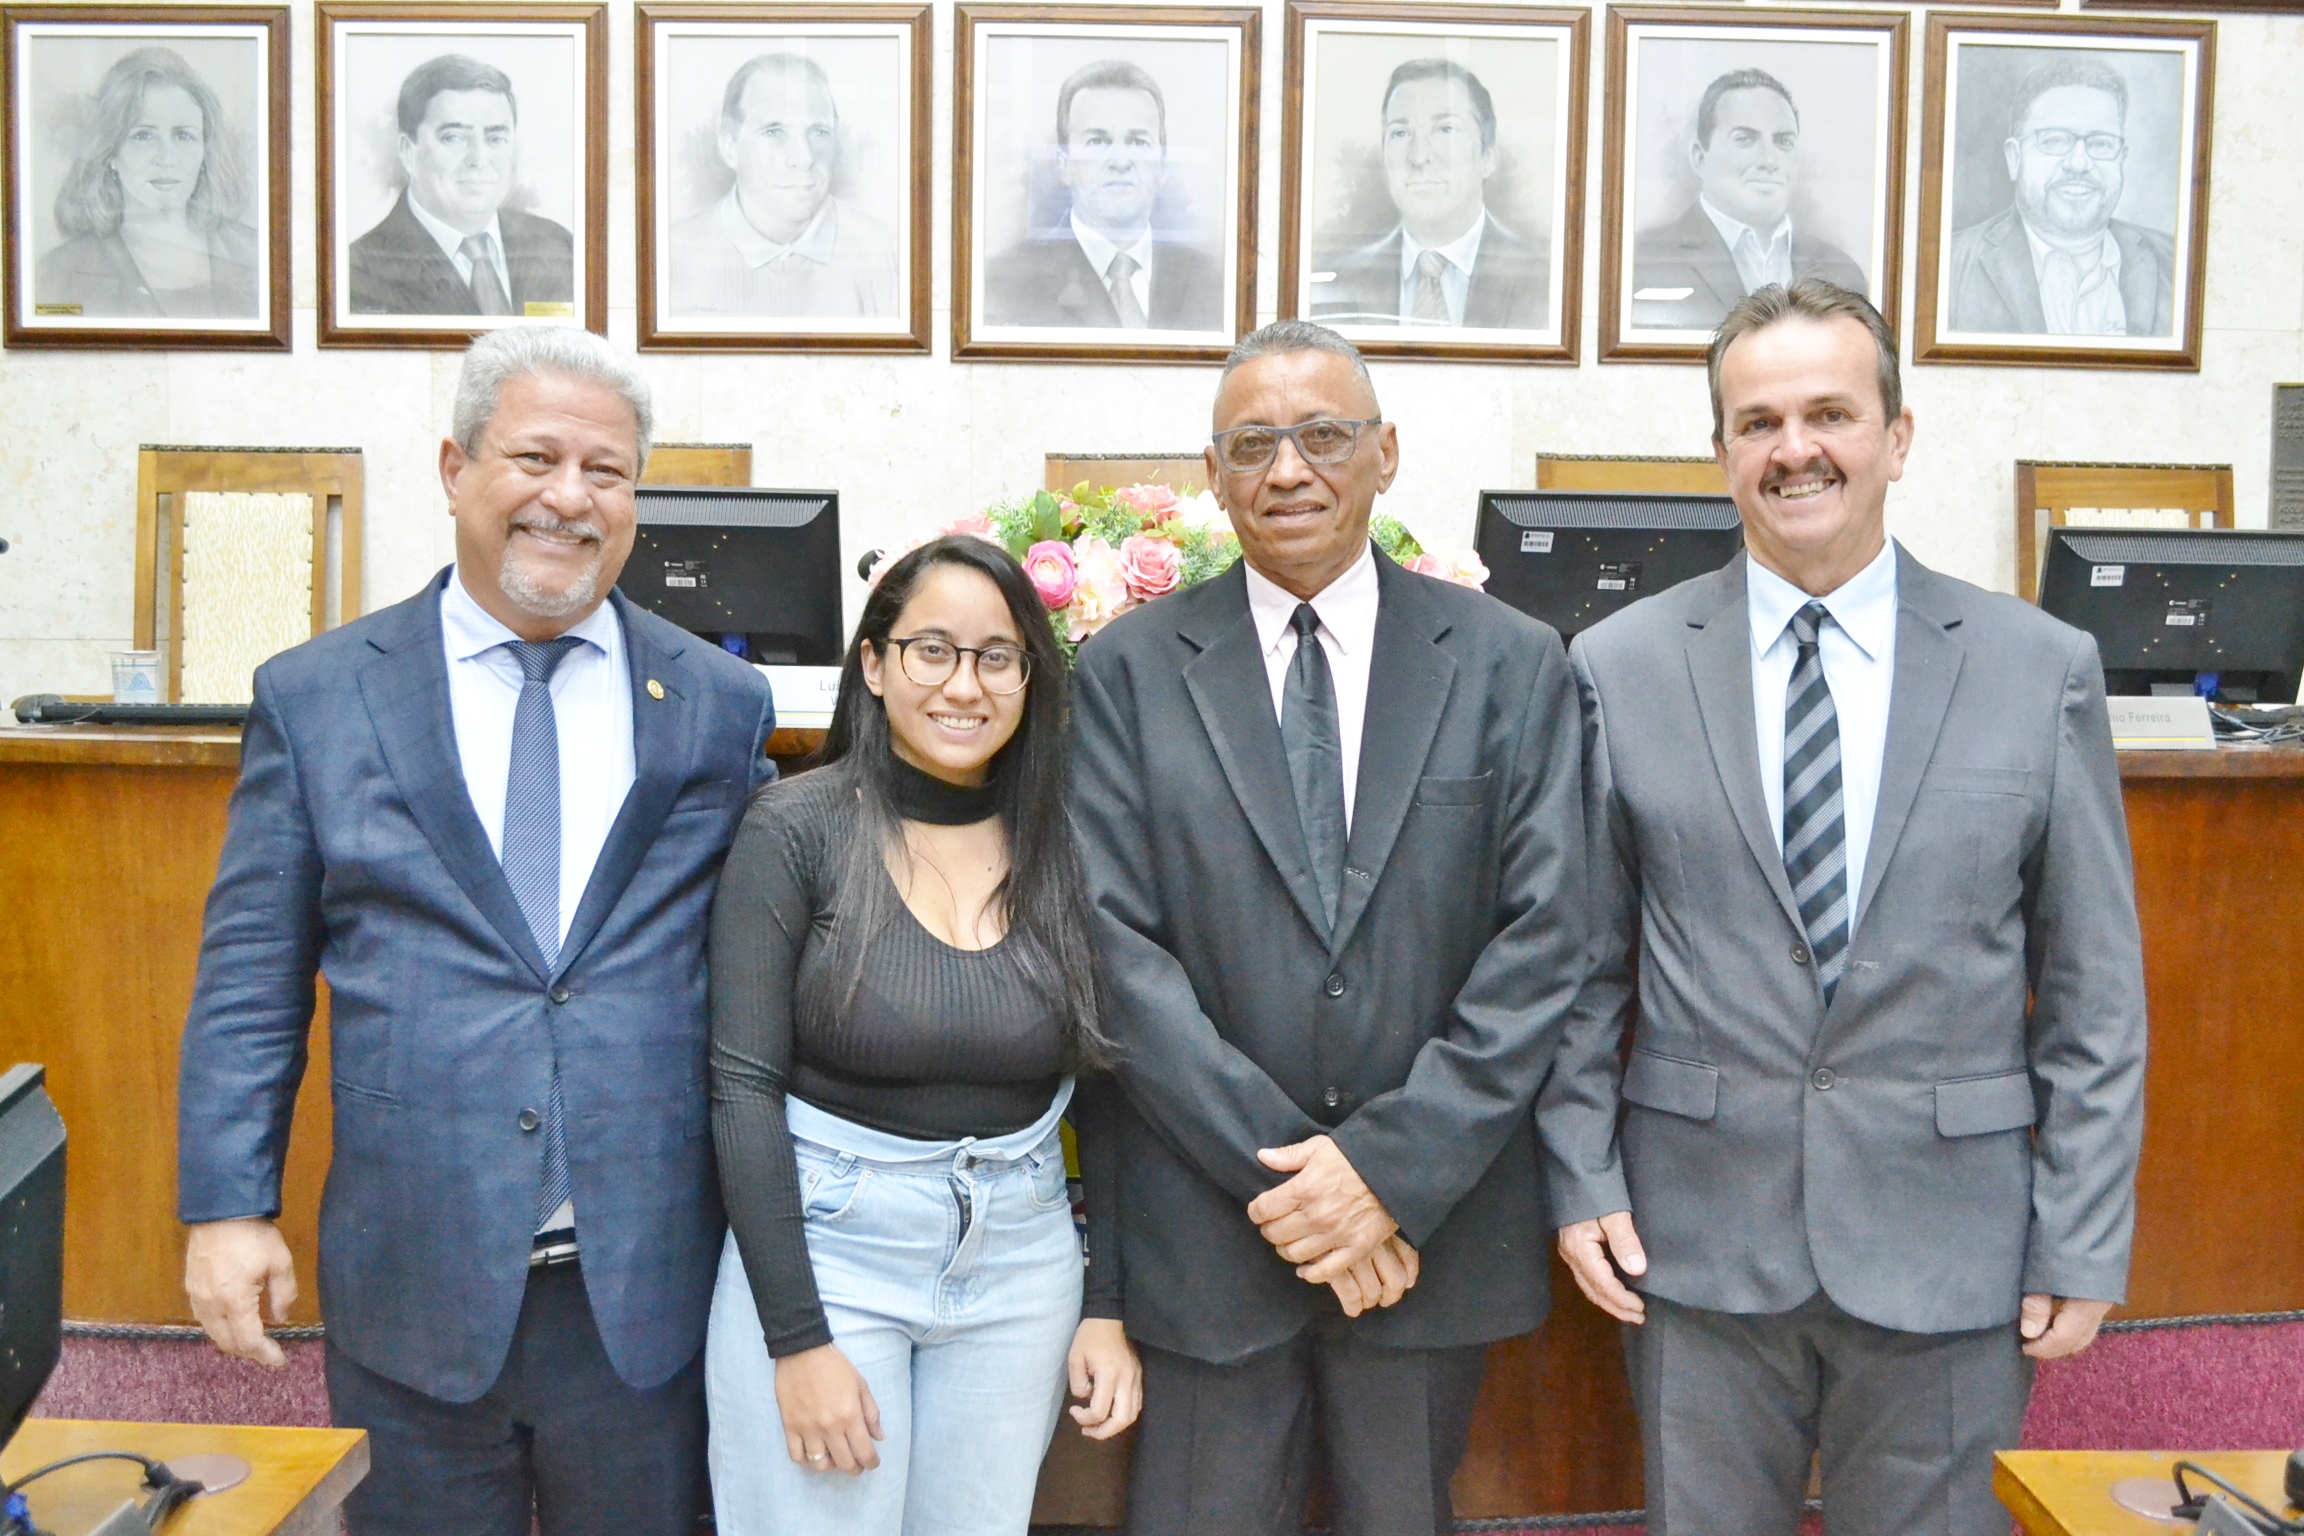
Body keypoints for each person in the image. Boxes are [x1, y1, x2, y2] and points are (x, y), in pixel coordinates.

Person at [1541, 278, 2147, 1536]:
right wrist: (1581, 1171)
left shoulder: (2039, 668)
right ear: (1722, 453)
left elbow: (2093, 988)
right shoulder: (1618, 666)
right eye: (1758, 422)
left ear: (1898, 437)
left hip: (1953, 1246)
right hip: (1696, 1245)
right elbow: (1579, 967)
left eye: (1830, 413)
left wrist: (2083, 1235)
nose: (1795, 449)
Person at [177, 326, 776, 1536]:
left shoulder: (718, 703)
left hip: (648, 1283)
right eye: (535, 458)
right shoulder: (319, 695)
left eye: (606, 471)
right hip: (415, 1273)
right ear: (456, 469)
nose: (570, 497)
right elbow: (252, 973)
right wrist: (228, 1206)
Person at [1070, 320, 1587, 1535]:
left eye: (1322, 435)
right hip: (1210, 1234)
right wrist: (1309, 1188)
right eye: (1252, 445)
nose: (1288, 469)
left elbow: (1546, 938)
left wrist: (1387, 1176)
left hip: (1424, 1237)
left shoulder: (1512, 663)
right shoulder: (1127, 671)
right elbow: (1113, 952)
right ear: (1214, 475)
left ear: (1385, 453)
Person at [705, 534, 1141, 1533]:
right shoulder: (795, 828)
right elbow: (741, 1089)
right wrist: (796, 1340)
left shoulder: (1066, 838)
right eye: (931, 650)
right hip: (829, 1253)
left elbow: (1108, 1084)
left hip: (1023, 1261)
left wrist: (1107, 1304)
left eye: (997, 656)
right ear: (874, 663)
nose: (964, 684)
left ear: (1030, 677)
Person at [982, 59, 1223, 331]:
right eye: (1097, 141)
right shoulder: (1004, 282)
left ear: (1162, 163)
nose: (1120, 161)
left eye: (1138, 142)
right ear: (1064, 164)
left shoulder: (1213, 283)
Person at [1310, 59, 1548, 330]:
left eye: (1446, 129)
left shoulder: (1543, 280)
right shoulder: (1337, 282)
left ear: (1487, 157)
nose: (1419, 156)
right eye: (1401, 132)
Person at [1947, 57, 2175, 338]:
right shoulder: (1948, 267)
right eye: (2055, 140)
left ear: (2122, 158)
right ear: (2015, 158)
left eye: (2101, 143)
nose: (2079, 163)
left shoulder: (2176, 264)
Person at [666, 52, 899, 320]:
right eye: (774, 132)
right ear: (729, 146)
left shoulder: (888, 254)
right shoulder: (671, 256)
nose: (805, 157)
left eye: (819, 132)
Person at [1630, 69, 1866, 332]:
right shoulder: (1645, 262)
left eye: (1784, 141)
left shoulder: (1842, 272)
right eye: (1745, 139)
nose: (1769, 160)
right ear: (1699, 158)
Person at [36, 46, 259, 319]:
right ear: (110, 152)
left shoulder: (254, 254)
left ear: (205, 150)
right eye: (143, 135)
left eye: (182, 135)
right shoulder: (60, 271)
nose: (166, 158)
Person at [349, 55, 575, 317]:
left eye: (496, 139)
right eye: (454, 138)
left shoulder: (559, 247)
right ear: (408, 151)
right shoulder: (357, 271)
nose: (479, 160)